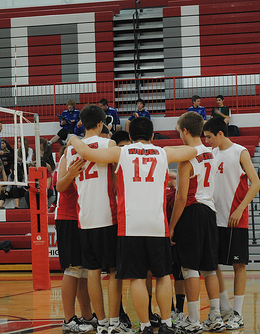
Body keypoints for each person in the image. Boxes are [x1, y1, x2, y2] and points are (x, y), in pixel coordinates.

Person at [68, 115, 197, 334]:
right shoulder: (163, 152)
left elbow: (87, 153)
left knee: (137, 277)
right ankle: (166, 323)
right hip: (157, 225)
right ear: (153, 135)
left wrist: (73, 138)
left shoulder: (122, 152)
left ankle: (145, 326)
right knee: (163, 275)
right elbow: (193, 150)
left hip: (130, 225)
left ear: (129, 136)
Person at [64, 104, 127, 334]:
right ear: (102, 123)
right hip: (107, 215)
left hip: (85, 217)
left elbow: (62, 184)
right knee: (112, 271)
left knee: (92, 270)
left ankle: (100, 323)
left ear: (81, 123)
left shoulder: (71, 150)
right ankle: (113, 322)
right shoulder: (108, 144)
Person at [203, 117, 260, 330]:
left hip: (235, 218)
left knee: (238, 265)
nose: (206, 141)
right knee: (212, 263)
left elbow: (256, 183)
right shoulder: (211, 154)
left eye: (209, 137)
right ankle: (223, 307)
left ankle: (237, 313)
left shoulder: (240, 151)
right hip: (214, 217)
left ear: (220, 133)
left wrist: (240, 208)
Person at [169, 111, 225, 333]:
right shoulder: (211, 152)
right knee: (210, 269)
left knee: (190, 269)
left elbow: (181, 197)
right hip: (209, 212)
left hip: (191, 212)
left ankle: (193, 320)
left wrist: (172, 226)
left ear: (184, 130)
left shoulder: (187, 158)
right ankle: (216, 316)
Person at [55, 144, 97, 333]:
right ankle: (68, 320)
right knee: (72, 269)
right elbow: (59, 186)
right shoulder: (68, 158)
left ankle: (87, 316)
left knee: (85, 270)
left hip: (84, 217)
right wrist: (71, 173)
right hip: (68, 217)